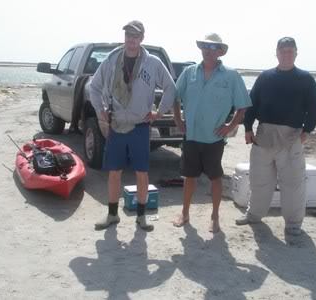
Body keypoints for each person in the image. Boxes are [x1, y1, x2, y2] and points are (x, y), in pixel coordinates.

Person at [88, 20, 176, 231]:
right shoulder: (111, 60)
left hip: (140, 126)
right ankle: (112, 215)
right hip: (117, 125)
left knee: (141, 172)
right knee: (114, 172)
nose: (131, 40)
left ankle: (141, 216)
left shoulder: (153, 63)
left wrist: (159, 112)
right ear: (124, 37)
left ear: (142, 38)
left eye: (135, 36)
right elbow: (95, 87)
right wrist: (100, 111)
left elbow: (171, 88)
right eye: (128, 35)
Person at [236, 37, 316, 236]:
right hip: (264, 135)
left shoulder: (305, 79)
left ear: (296, 53)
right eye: (283, 51)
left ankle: (293, 225)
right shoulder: (265, 77)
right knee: (259, 181)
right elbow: (252, 103)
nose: (286, 54)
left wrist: (306, 131)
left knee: (293, 184)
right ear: (276, 53)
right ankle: (254, 216)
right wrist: (248, 128)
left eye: (290, 51)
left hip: (291, 137)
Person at [173, 33, 252, 233]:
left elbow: (242, 106)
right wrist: (178, 120)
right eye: (205, 47)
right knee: (189, 177)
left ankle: (215, 217)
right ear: (201, 49)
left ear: (220, 51)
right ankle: (185, 213)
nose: (208, 51)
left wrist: (230, 126)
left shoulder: (231, 76)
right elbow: (175, 97)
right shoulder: (189, 72)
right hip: (191, 136)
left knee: (215, 178)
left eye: (213, 47)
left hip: (214, 138)